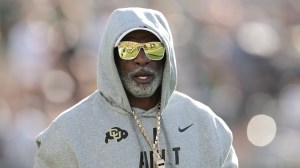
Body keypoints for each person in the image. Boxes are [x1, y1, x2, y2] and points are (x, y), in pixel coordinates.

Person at [34, 7, 238, 168]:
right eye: (128, 50)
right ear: (111, 56)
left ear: (167, 56)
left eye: (153, 48)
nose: (142, 59)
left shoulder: (206, 125)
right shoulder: (69, 133)